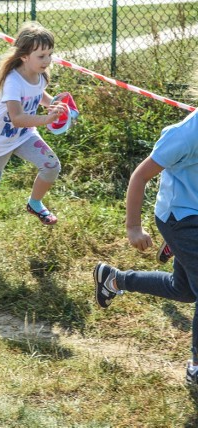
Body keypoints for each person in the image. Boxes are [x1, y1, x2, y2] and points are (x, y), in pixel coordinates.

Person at [93, 108, 198, 385]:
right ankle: (196, 366)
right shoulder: (186, 134)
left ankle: (114, 280)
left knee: (184, 290)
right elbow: (140, 176)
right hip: (181, 218)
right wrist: (133, 227)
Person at [0, 22, 66, 251]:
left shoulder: (40, 75)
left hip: (24, 136)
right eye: (41, 55)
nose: (47, 60)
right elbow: (17, 117)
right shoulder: (13, 80)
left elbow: (39, 94)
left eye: (50, 54)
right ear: (23, 56)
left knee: (51, 166)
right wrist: (46, 120)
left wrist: (54, 105)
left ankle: (35, 203)